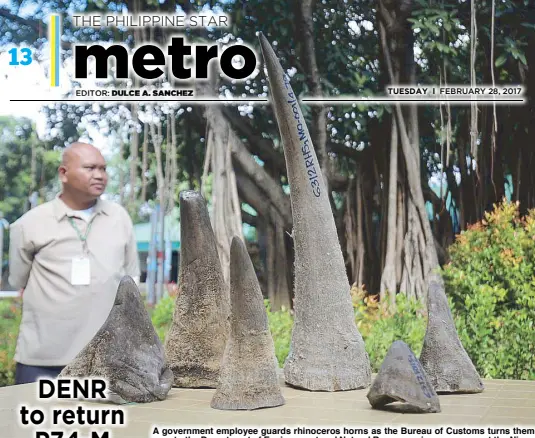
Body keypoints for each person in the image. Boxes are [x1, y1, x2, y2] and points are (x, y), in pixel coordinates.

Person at [8, 142, 140, 384]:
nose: (99, 175)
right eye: (90, 168)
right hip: (45, 360)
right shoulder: (29, 224)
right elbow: (18, 279)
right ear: (63, 174)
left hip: (109, 359)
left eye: (103, 168)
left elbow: (131, 279)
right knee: (38, 421)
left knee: (108, 423)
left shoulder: (119, 218)